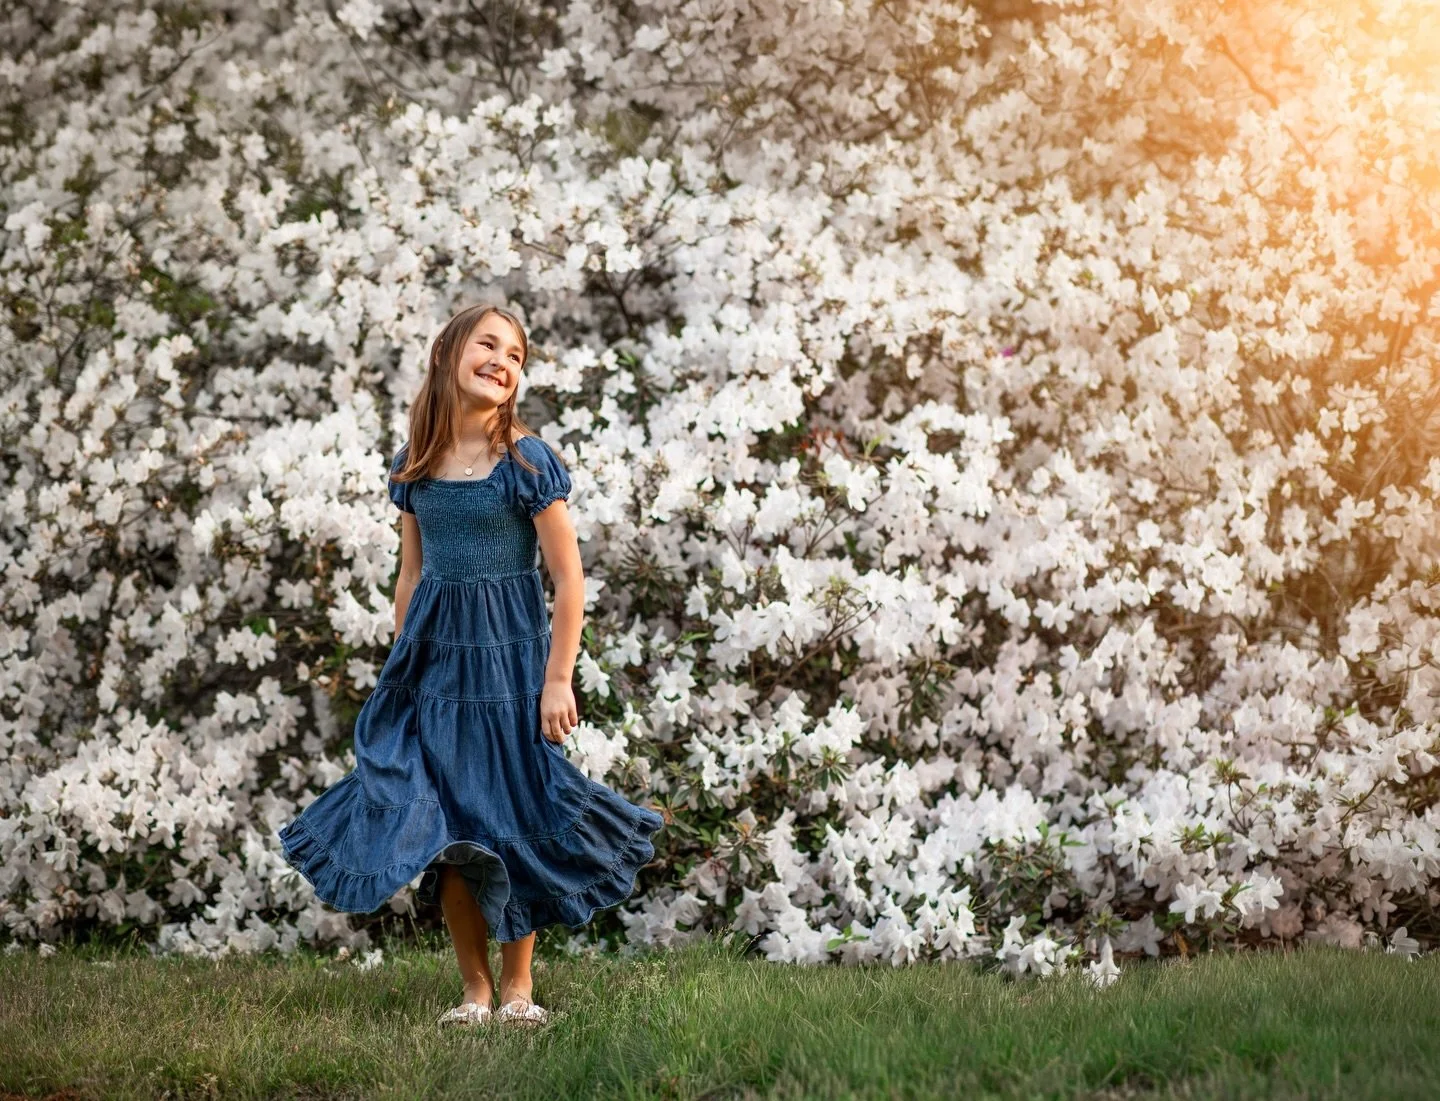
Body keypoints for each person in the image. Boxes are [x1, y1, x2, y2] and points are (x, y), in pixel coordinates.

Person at [277, 303, 666, 1028]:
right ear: (447, 353)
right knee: (449, 830)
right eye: (489, 344)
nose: (503, 360)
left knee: (510, 816)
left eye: (516, 354)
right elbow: (410, 574)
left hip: (512, 669)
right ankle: (475, 989)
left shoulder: (525, 461)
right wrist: (403, 662)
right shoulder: (416, 466)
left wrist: (557, 678)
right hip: (437, 673)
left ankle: (519, 985)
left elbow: (569, 577)